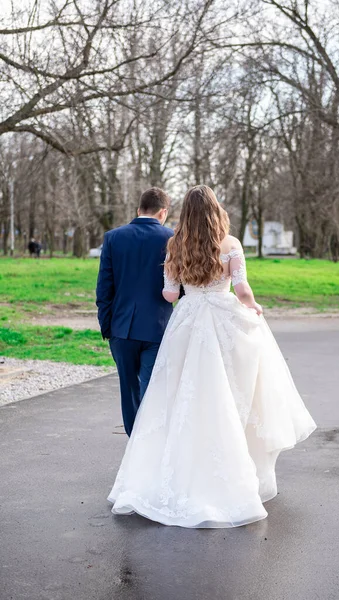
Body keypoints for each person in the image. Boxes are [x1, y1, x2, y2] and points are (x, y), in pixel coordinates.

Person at [107, 185, 317, 528]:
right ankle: (231, 466)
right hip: (223, 319)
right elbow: (243, 289)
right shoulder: (231, 245)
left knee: (179, 394)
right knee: (229, 392)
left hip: (189, 321)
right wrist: (254, 306)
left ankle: (178, 469)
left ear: (184, 215)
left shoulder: (175, 244)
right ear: (216, 211)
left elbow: (170, 294)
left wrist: (181, 286)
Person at [96, 187, 173, 437]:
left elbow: (104, 288)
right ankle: (150, 448)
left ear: (139, 210)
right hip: (158, 328)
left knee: (129, 394)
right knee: (152, 391)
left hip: (121, 329)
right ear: (163, 212)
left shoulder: (113, 237)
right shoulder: (172, 238)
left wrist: (106, 326)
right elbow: (181, 287)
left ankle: (135, 449)